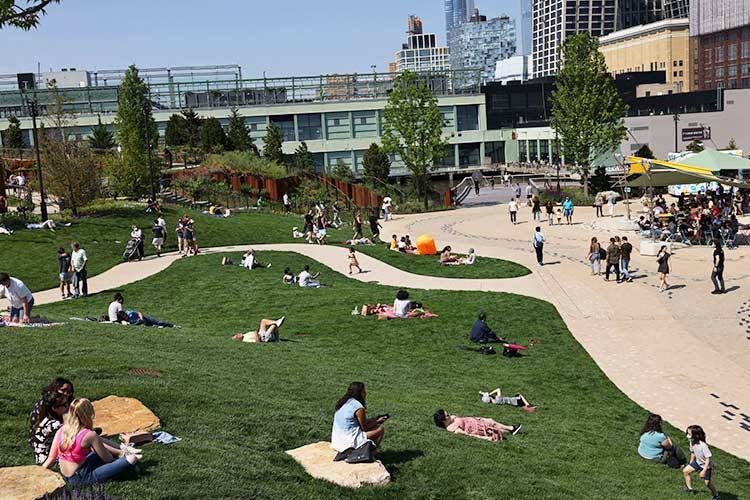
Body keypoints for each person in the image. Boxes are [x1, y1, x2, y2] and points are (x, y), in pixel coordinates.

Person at [42, 398, 141, 485]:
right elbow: (107, 459)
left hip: (67, 475)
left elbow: (51, 458)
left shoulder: (61, 430)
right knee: (132, 459)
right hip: (82, 478)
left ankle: (122, 457)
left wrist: (40, 473)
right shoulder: (89, 435)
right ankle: (126, 465)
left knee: (96, 453)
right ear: (90, 414)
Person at [29, 377, 74, 463]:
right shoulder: (54, 424)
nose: (67, 394)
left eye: (69, 391)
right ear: (55, 408)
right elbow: (73, 431)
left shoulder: (48, 416)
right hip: (49, 457)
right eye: (63, 390)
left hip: (42, 451)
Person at [331, 382, 386, 453]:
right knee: (380, 429)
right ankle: (370, 454)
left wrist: (374, 419)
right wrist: (377, 422)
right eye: (363, 391)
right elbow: (364, 428)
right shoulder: (359, 407)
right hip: (347, 444)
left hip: (336, 441)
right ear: (359, 393)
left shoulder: (343, 402)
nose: (365, 393)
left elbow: (357, 422)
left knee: (374, 426)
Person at [433, 409, 521, 441]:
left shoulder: (451, 419)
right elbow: (467, 435)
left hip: (476, 420)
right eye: (447, 415)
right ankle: (511, 429)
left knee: (491, 421)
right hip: (477, 428)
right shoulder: (451, 428)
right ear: (444, 420)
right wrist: (485, 438)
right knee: (494, 428)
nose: (449, 415)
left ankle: (511, 429)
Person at [683, 425, 719, 499]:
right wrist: (691, 463)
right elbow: (693, 452)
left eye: (689, 434)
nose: (687, 435)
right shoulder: (692, 442)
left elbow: (708, 458)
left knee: (707, 483)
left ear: (696, 435)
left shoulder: (703, 446)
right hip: (697, 462)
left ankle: (716, 495)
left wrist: (704, 471)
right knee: (686, 471)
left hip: (706, 466)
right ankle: (689, 489)